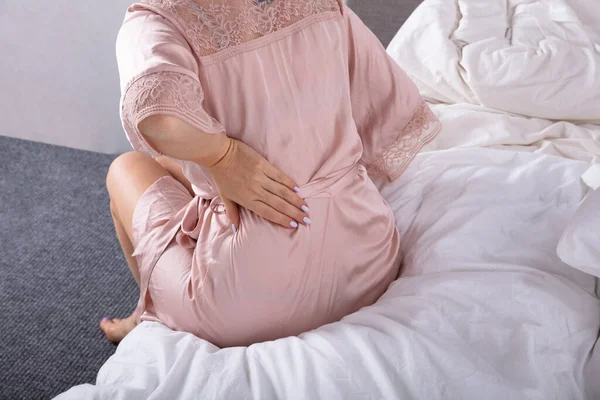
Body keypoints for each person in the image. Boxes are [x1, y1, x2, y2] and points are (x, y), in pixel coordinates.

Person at [100, 0, 441, 348]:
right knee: (173, 168)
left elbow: (155, 119)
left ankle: (144, 317)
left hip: (244, 306)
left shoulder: (156, 18)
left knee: (126, 168)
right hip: (369, 259)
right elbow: (386, 107)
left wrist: (226, 156)